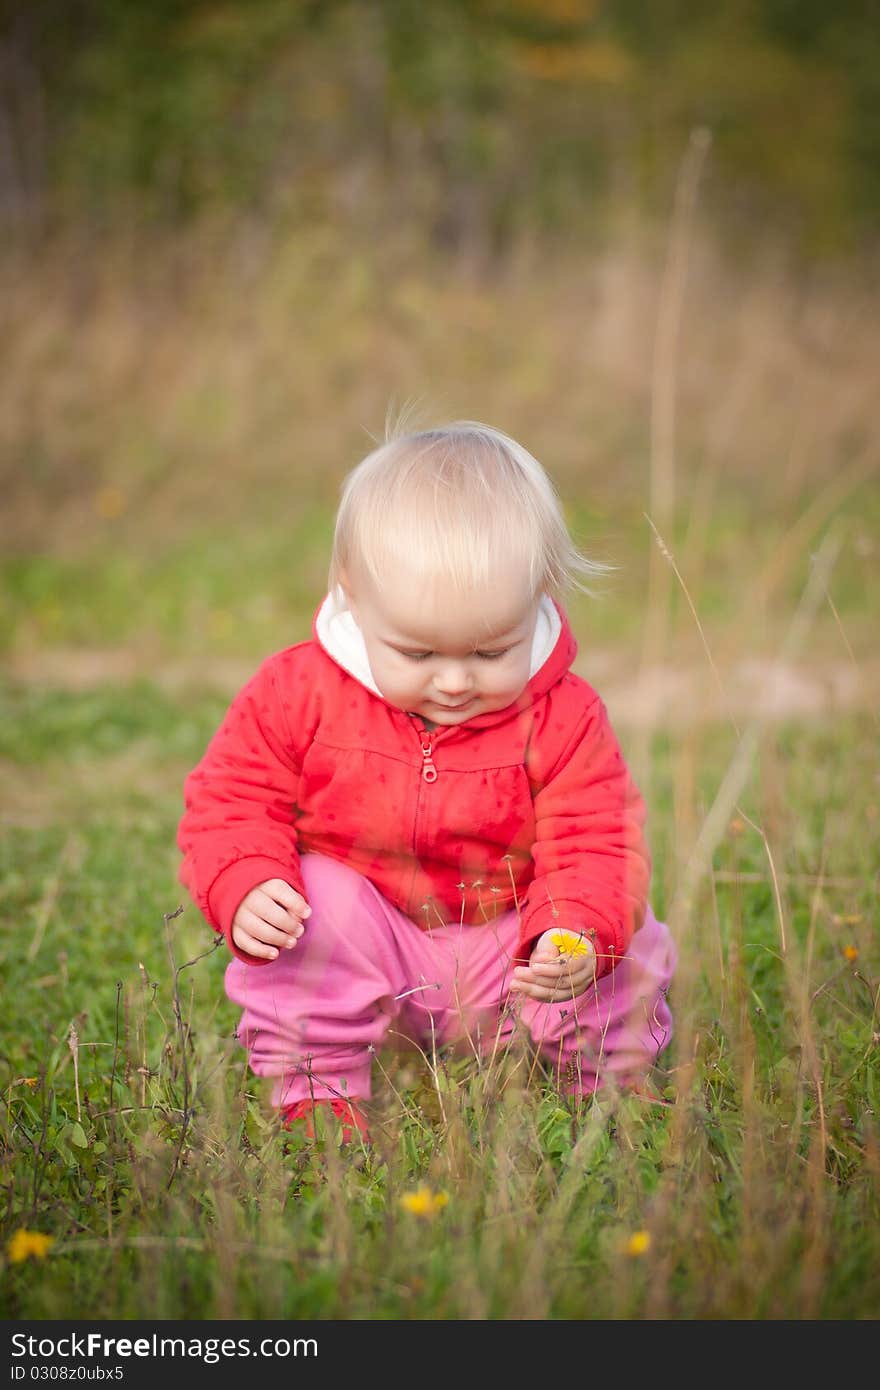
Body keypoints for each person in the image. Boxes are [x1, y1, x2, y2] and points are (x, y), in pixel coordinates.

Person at [177, 421, 676, 1143]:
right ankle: (317, 1089)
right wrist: (246, 881)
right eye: (416, 651)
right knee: (312, 902)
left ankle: (611, 1088)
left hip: (512, 960)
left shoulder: (563, 714)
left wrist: (575, 930)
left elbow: (595, 838)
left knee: (626, 935)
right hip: (367, 952)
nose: (451, 681)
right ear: (354, 596)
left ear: (536, 597)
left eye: (488, 651)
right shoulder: (298, 691)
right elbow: (231, 797)